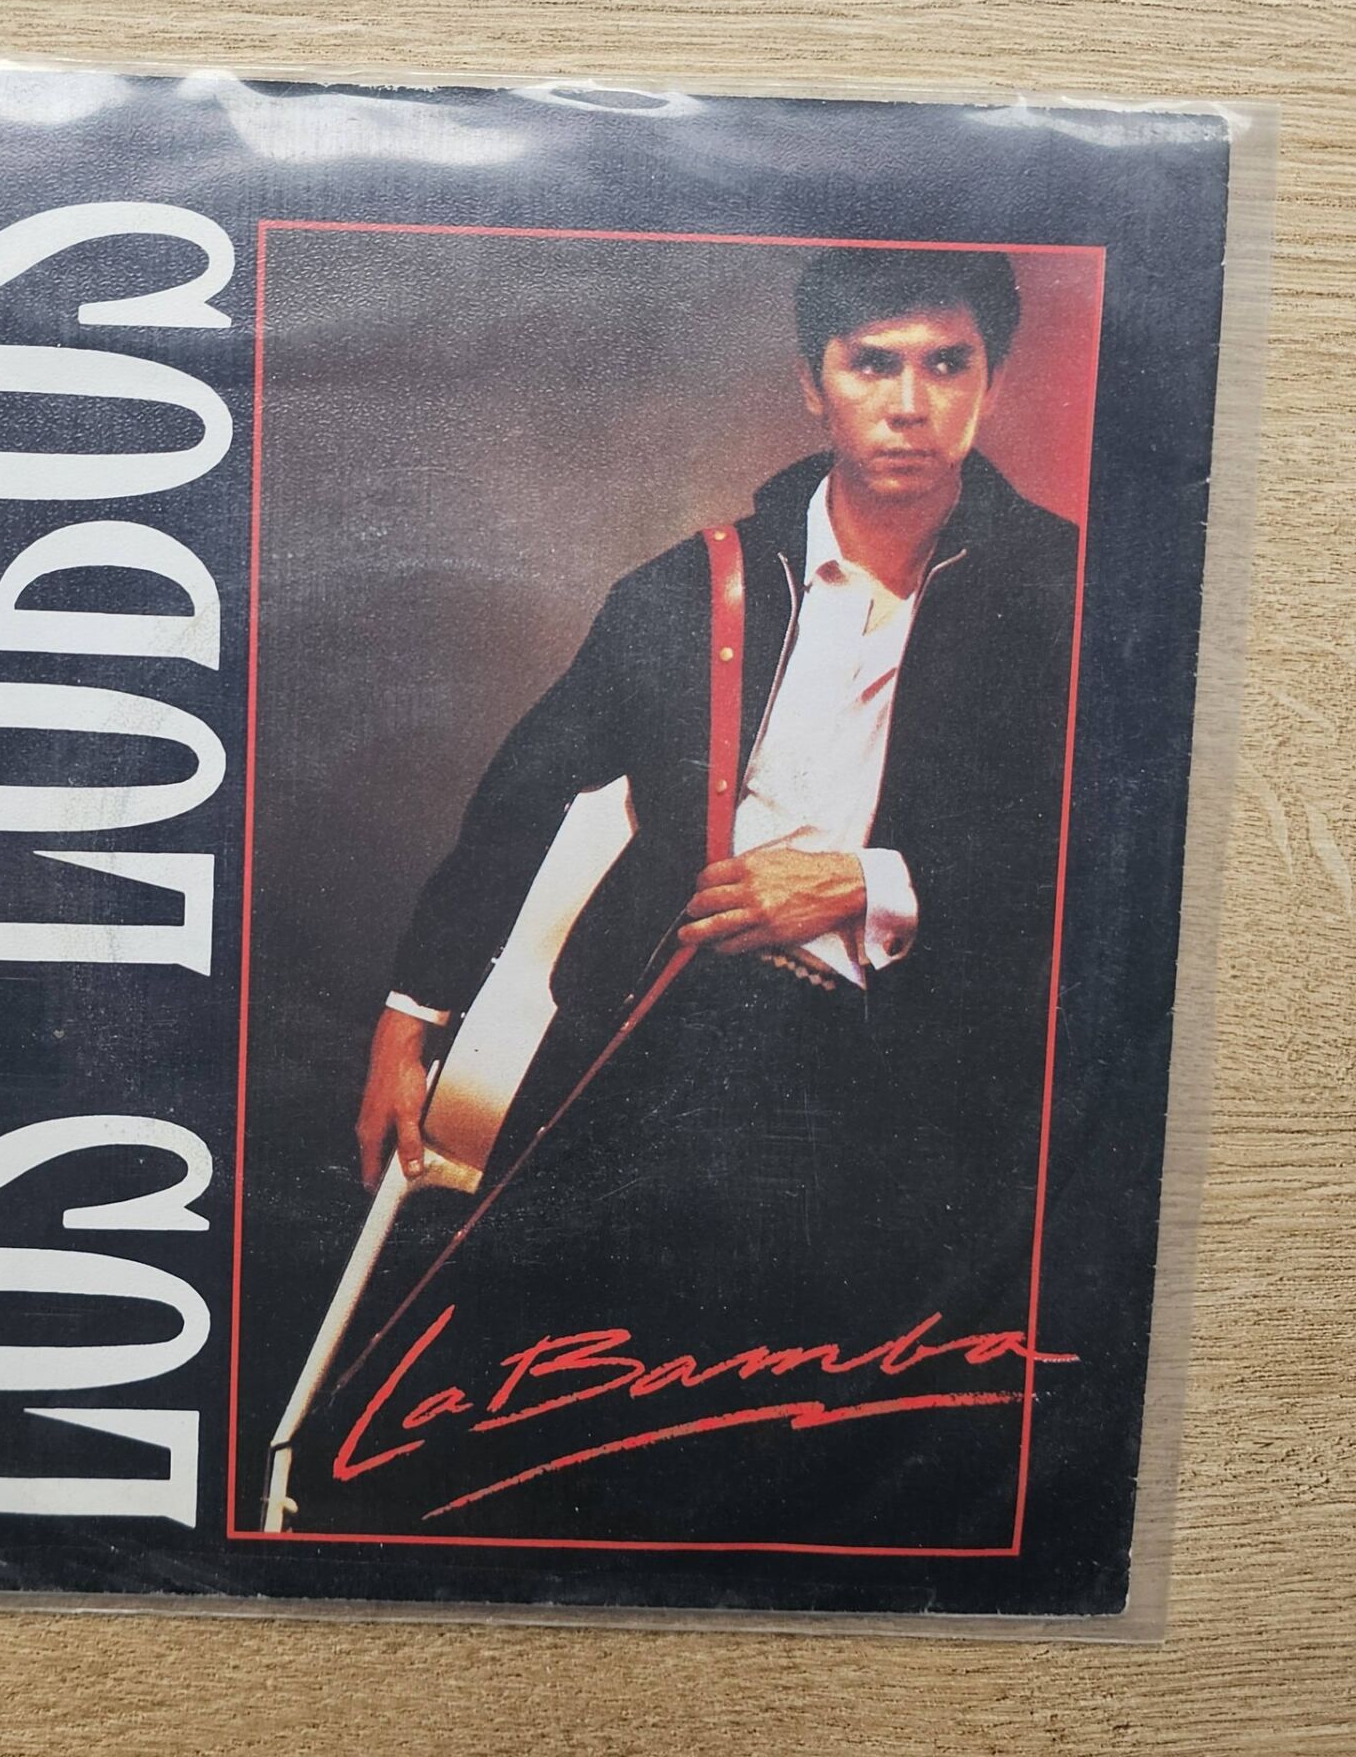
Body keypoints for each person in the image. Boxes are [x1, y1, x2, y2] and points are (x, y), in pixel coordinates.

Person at [314, 247, 1081, 1545]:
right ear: (813, 386)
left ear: (990, 385)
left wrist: (869, 884)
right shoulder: (690, 589)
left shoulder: (1074, 593)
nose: (910, 404)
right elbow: (521, 803)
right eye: (873, 365)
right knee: (576, 1427)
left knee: (846, 1462)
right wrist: (411, 1014)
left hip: (929, 1078)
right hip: (677, 1048)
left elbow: (1116, 855)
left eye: (947, 365)